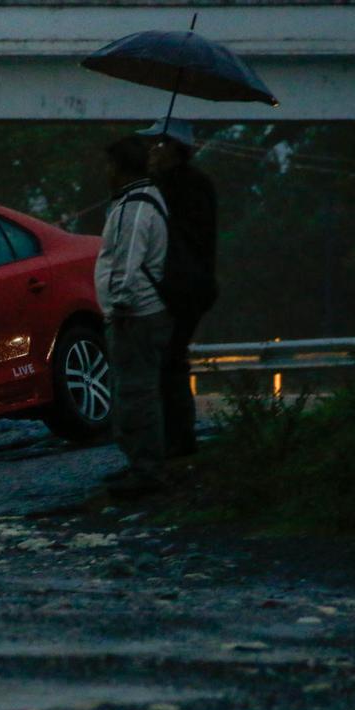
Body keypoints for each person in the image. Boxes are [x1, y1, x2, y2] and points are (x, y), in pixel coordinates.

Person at [94, 135, 173, 497]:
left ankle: (146, 469)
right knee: (137, 390)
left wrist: (121, 304)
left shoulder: (133, 208)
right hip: (142, 312)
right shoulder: (146, 200)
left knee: (135, 392)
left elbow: (125, 261)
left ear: (120, 168)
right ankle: (140, 464)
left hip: (135, 314)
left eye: (109, 165)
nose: (106, 173)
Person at [137, 118, 218, 457]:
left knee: (168, 363)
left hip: (182, 288)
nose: (151, 151)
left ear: (174, 149)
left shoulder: (183, 187)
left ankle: (177, 443)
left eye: (158, 144)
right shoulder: (175, 185)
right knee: (169, 362)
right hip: (186, 286)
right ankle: (173, 441)